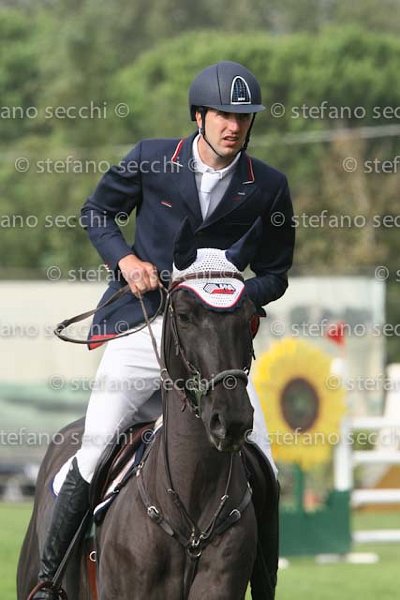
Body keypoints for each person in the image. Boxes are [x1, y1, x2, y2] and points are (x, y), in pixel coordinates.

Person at [31, 60, 295, 599]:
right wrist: (127, 262)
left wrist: (239, 295)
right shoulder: (151, 160)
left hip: (215, 343)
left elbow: (275, 272)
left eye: (243, 117)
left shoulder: (268, 186)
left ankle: (265, 587)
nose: (234, 126)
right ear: (199, 116)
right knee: (94, 446)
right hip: (144, 326)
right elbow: (97, 213)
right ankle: (49, 582)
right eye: (223, 115)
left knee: (264, 463)